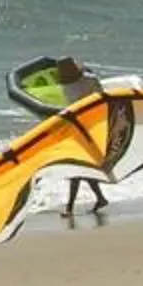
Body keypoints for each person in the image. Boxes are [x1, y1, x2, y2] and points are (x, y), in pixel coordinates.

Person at [50, 56, 110, 218]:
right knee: (79, 165)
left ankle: (71, 208)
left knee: (77, 166)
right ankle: (99, 198)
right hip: (83, 126)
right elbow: (101, 95)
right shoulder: (87, 79)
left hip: (87, 127)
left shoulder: (69, 86)